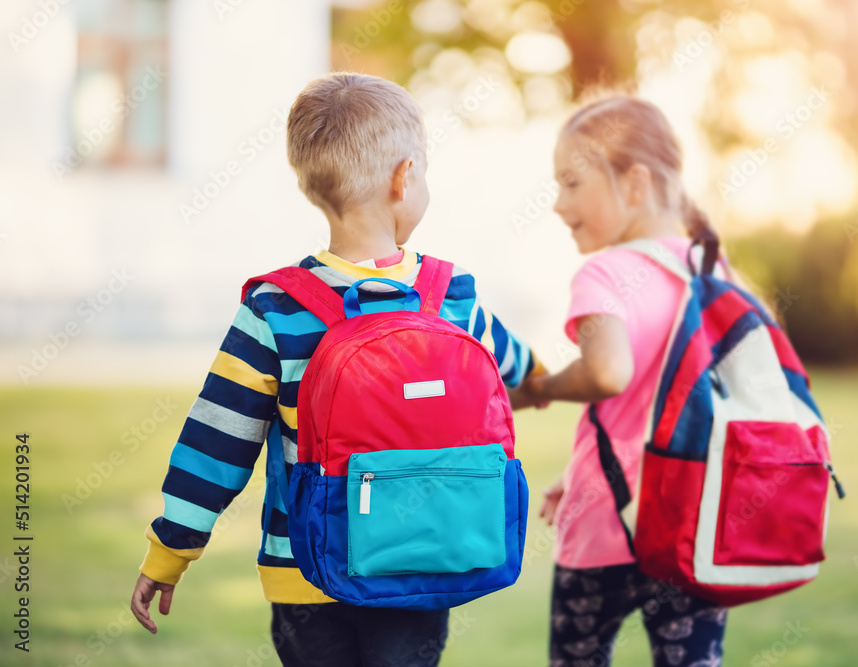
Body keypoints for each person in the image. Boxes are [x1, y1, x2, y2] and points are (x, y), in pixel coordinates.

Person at [128, 72, 544, 667]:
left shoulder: (275, 308)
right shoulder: (451, 297)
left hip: (305, 567)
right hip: (422, 557)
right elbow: (513, 365)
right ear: (406, 178)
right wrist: (550, 377)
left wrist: (170, 551)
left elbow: (217, 443)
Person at [521, 95, 730, 667]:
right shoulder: (711, 267)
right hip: (693, 523)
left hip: (606, 528)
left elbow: (608, 374)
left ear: (634, 184)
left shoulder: (606, 270)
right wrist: (578, 466)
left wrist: (537, 389)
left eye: (570, 183)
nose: (558, 204)